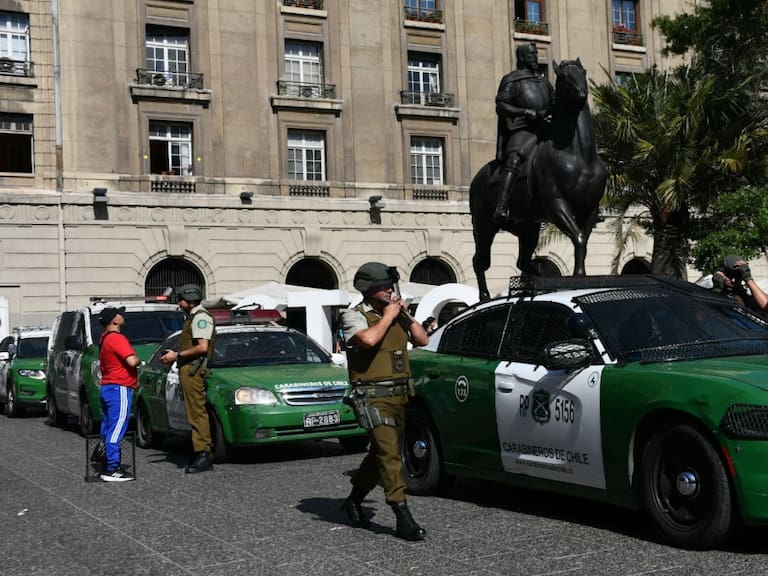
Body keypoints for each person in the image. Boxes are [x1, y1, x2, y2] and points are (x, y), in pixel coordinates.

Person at [340, 262, 429, 541]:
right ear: (368, 290)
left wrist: (404, 314)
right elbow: (367, 340)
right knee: (390, 456)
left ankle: (354, 499)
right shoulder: (354, 315)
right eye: (382, 287)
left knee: (381, 453)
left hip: (400, 395)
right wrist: (389, 316)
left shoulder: (395, 313)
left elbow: (422, 339)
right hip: (373, 397)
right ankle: (402, 515)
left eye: (390, 286)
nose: (389, 290)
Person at [493, 42, 555, 223]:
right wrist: (524, 112)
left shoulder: (544, 82)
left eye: (535, 54)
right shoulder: (511, 80)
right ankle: (502, 204)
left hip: (545, 129)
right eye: (531, 55)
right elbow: (501, 106)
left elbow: (554, 103)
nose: (535, 58)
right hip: (523, 129)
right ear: (521, 58)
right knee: (514, 160)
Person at [160, 284, 217, 473]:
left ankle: (204, 453)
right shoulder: (194, 317)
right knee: (193, 412)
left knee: (197, 412)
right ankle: (199, 450)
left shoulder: (201, 318)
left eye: (181, 299)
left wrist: (177, 355)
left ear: (191, 300)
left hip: (194, 371)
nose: (179, 303)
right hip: (189, 369)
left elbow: (202, 347)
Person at [97, 306, 141, 482]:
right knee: (117, 428)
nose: (123, 316)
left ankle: (105, 461)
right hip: (119, 388)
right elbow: (131, 361)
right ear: (114, 320)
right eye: (120, 314)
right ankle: (112, 468)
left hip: (107, 386)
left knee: (107, 427)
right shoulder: (117, 338)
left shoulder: (104, 338)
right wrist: (138, 360)